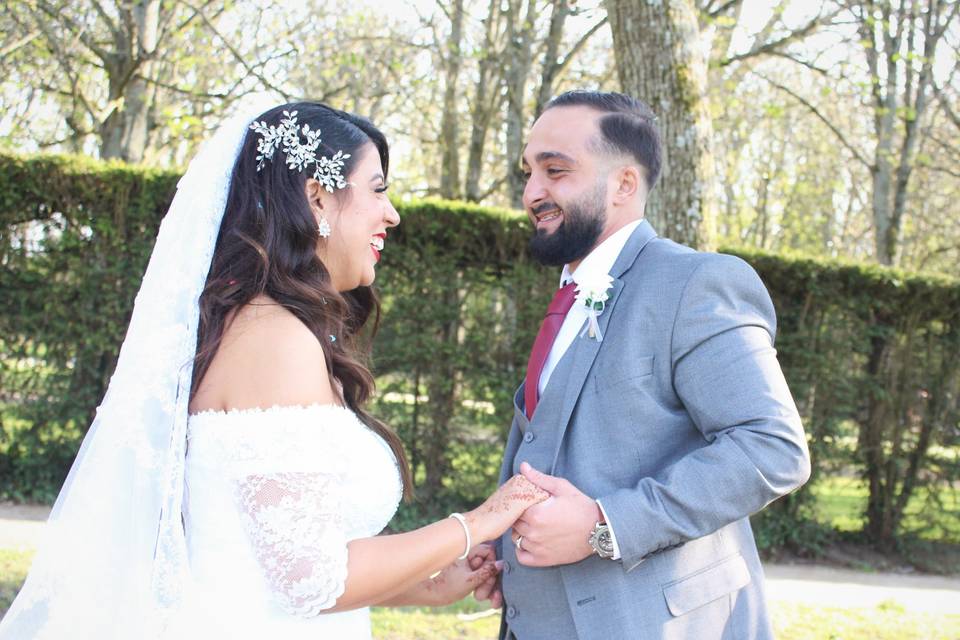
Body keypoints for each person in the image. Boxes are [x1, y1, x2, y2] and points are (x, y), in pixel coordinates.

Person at [0, 102, 546, 639]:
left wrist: (424, 586)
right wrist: (476, 523)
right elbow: (311, 582)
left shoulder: (268, 326)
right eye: (378, 189)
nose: (392, 213)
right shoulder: (274, 337)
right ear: (316, 199)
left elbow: (274, 563)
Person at [486, 90, 811, 639]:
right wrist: (497, 550)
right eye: (528, 172)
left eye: (555, 170)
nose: (532, 192)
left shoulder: (695, 283)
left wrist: (604, 525)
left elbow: (771, 447)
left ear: (624, 184)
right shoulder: (570, 294)